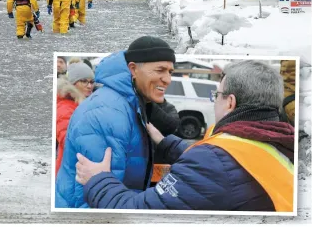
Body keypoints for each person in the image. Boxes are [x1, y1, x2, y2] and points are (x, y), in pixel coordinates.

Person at [76, 60, 295, 212]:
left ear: (230, 102)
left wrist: (98, 180)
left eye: (216, 95)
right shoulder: (280, 140)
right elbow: (226, 165)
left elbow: (139, 213)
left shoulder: (213, 162)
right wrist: (166, 143)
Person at [54, 36, 176, 208]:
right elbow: (93, 201)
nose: (168, 79)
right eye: (160, 70)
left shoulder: (129, 104)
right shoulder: (107, 112)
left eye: (170, 72)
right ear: (133, 69)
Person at [55, 62, 95, 176]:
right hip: (69, 171)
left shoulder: (82, 104)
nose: (89, 86)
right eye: (84, 81)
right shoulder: (65, 107)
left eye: (92, 82)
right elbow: (67, 140)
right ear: (73, 83)